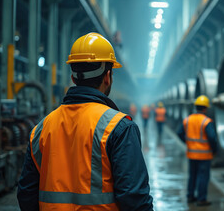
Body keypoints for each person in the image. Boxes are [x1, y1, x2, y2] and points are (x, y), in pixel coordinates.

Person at [17, 32, 153, 210]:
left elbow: (26, 194)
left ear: (73, 78)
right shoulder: (119, 127)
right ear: (108, 77)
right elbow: (134, 199)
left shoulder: (41, 129)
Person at [177, 95, 217, 206]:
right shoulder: (206, 121)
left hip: (191, 154)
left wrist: (187, 143)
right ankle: (201, 199)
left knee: (192, 176)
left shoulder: (187, 119)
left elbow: (179, 133)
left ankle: (190, 196)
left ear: (196, 107)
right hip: (204, 156)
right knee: (203, 177)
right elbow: (212, 138)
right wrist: (214, 150)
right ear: (205, 108)